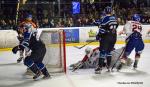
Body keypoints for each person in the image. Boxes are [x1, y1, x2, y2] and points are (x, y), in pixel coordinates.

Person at [12, 14, 50, 80]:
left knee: (27, 60)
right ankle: (46, 74)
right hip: (42, 48)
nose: (19, 30)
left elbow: (26, 43)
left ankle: (38, 72)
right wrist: (21, 44)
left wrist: (17, 47)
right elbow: (27, 46)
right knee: (38, 62)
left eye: (20, 28)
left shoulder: (28, 30)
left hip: (38, 49)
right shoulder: (28, 31)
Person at [95, 6, 118, 74]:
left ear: (105, 11)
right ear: (111, 11)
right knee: (109, 52)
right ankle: (109, 67)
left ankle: (99, 68)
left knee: (102, 52)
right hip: (114, 37)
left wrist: (98, 35)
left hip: (106, 38)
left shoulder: (105, 18)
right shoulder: (114, 18)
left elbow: (102, 29)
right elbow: (116, 27)